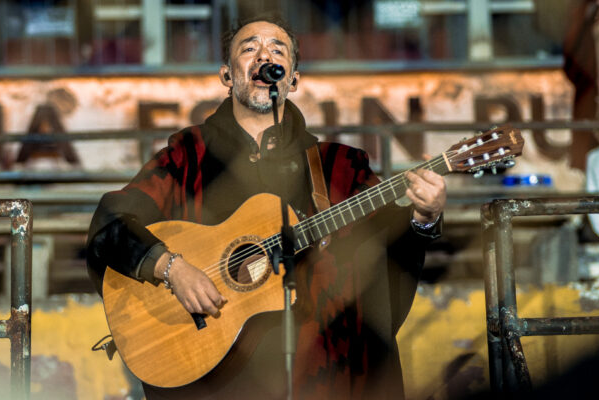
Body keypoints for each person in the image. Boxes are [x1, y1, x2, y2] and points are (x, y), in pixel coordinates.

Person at [86, 15, 446, 400]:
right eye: (249, 48)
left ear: (292, 79)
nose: (264, 55)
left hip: (322, 376)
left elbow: (389, 251)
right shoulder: (185, 157)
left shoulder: (340, 166)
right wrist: (171, 268)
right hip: (217, 382)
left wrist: (424, 218)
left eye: (278, 50)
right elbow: (112, 222)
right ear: (227, 75)